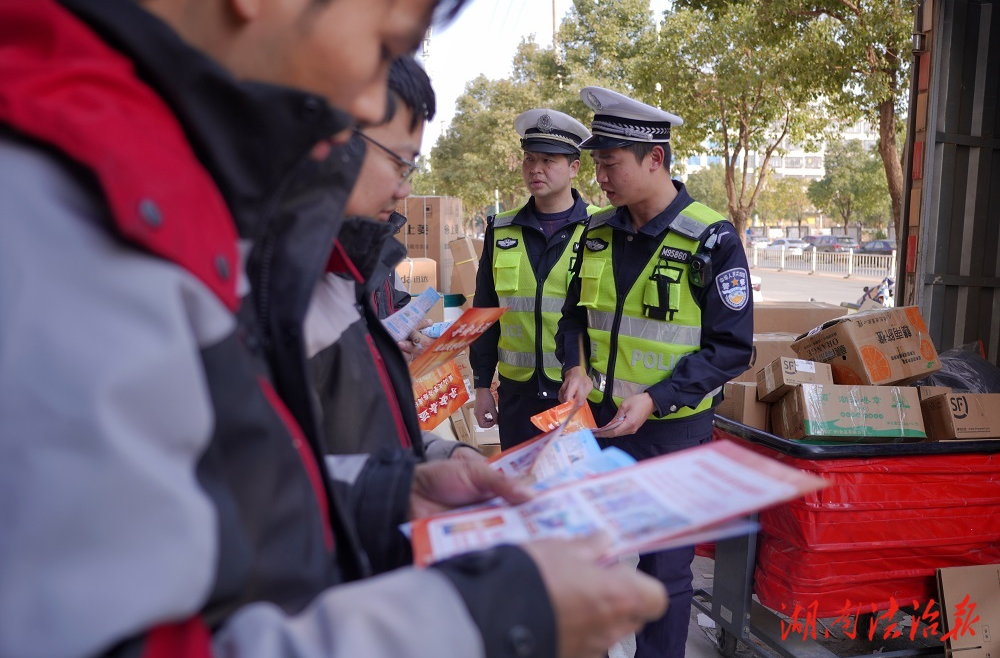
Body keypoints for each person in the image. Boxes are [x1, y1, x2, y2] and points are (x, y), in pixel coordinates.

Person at [0, 4, 667, 658]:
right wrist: (489, 620)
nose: (361, 104)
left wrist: (383, 493)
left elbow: (234, 491)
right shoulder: (66, 206)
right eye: (383, 46)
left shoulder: (172, 203)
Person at [557, 86, 754, 658]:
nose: (601, 179)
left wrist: (657, 398)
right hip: (596, 430)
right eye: (597, 166)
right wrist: (575, 366)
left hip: (674, 433)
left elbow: (731, 347)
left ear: (655, 159)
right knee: (584, 559)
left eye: (611, 164)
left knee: (664, 577)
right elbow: (574, 317)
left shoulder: (710, 238)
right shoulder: (595, 232)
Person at [305, 55, 474, 460]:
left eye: (410, 169)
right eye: (398, 164)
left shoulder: (365, 253)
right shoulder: (277, 284)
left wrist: (440, 458)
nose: (404, 190)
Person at [469, 108, 602, 449]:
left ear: (574, 167)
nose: (535, 169)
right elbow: (484, 312)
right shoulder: (500, 229)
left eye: (548, 160)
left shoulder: (602, 229)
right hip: (518, 398)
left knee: (575, 493)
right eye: (529, 159)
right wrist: (482, 386)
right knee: (521, 490)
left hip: (582, 394)